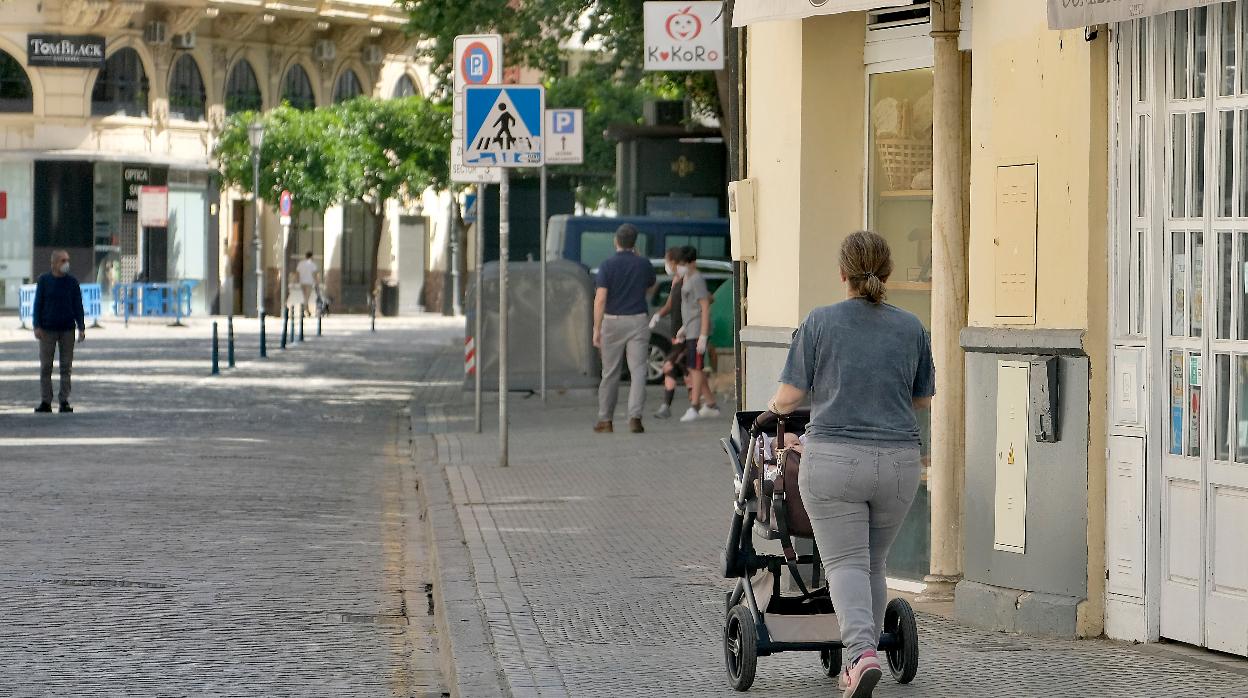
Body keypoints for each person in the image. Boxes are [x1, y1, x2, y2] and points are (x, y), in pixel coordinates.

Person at [758, 231, 934, 698]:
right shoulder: (913, 326)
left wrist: (775, 409)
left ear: (843, 274)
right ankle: (867, 649)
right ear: (888, 272)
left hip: (835, 460)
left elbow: (791, 396)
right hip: (899, 462)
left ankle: (859, 656)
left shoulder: (820, 322)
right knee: (873, 562)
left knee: (845, 563)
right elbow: (921, 399)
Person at [592, 224, 656, 434]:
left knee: (610, 372)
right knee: (638, 371)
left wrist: (596, 327)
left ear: (615, 241)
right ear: (634, 243)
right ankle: (635, 417)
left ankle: (605, 420)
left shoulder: (607, 265)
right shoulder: (643, 263)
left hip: (612, 322)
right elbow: (650, 286)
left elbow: (601, 299)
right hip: (638, 320)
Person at [32, 249, 86, 414]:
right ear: (54, 263)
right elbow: (38, 304)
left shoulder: (72, 282)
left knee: (65, 367)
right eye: (63, 260)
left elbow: (78, 305)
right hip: (47, 330)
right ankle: (46, 402)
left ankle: (64, 401)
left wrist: (81, 327)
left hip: (67, 330)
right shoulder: (44, 281)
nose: (66, 263)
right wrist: (36, 325)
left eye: (67, 260)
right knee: (46, 367)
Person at [675, 247, 720, 422]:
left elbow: (704, 306)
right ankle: (710, 404)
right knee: (695, 367)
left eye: (684, 263)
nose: (681, 267)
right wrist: (684, 327)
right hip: (691, 328)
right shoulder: (687, 278)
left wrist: (702, 334)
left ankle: (694, 405)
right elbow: (690, 307)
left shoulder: (696, 279)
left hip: (697, 330)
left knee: (696, 368)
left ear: (692, 262)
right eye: (679, 264)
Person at [651, 246, 689, 419]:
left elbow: (696, 306)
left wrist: (687, 326)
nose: (667, 265)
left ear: (674, 262)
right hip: (676, 332)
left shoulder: (687, 280)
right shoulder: (676, 280)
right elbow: (670, 304)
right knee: (688, 370)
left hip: (685, 333)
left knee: (668, 365)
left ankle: (667, 406)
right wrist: (658, 315)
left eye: (667, 261)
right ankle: (704, 404)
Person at [296, 252, 319, 317]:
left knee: (305, 297)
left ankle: (307, 310)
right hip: (309, 282)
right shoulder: (312, 264)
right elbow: (314, 274)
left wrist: (297, 280)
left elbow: (297, 272)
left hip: (302, 282)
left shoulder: (301, 263)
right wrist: (316, 282)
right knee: (307, 297)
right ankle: (303, 310)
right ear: (311, 256)